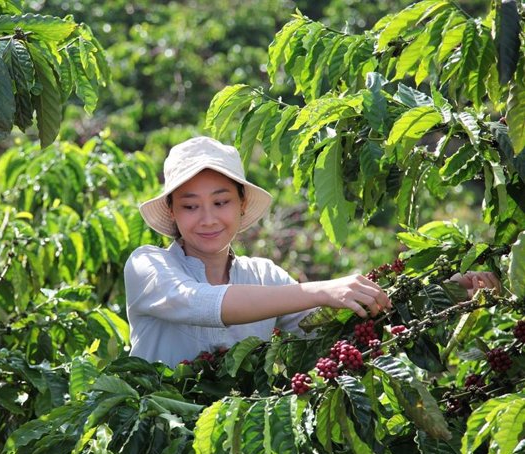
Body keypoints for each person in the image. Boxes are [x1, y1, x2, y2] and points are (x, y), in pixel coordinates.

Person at [124, 136, 499, 366]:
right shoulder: (149, 265)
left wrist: (443, 292)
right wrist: (320, 289)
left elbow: (336, 325)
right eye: (190, 206)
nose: (207, 219)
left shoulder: (263, 275)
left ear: (241, 205)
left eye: (220, 202)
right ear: (172, 212)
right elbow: (201, 301)